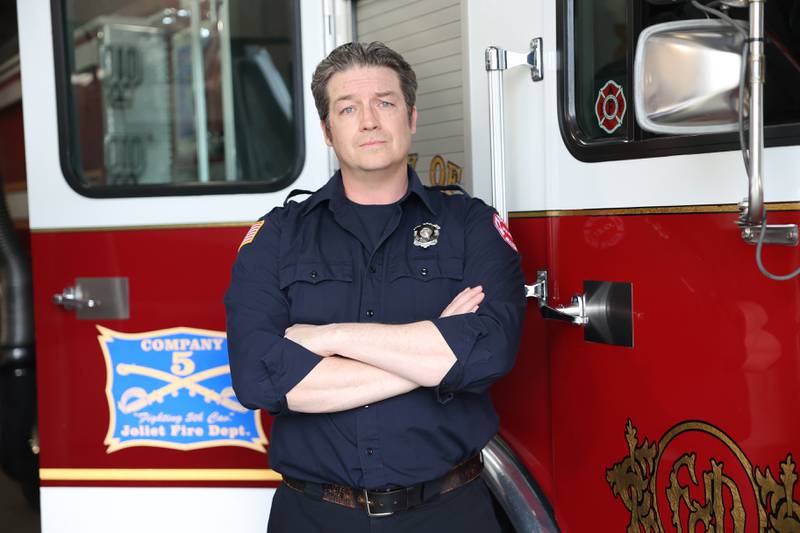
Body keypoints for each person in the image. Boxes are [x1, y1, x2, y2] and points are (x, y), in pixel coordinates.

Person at [225, 41, 526, 533]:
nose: (368, 120)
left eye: (384, 103)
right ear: (327, 131)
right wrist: (434, 354)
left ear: (410, 118)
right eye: (348, 108)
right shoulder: (278, 236)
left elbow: (487, 354)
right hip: (315, 517)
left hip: (450, 514)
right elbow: (259, 377)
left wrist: (329, 338)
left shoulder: (471, 225)